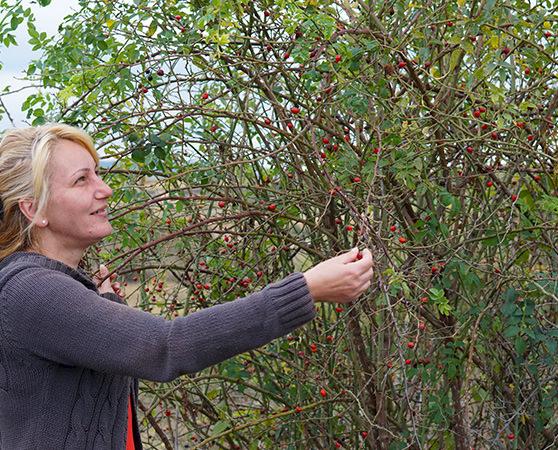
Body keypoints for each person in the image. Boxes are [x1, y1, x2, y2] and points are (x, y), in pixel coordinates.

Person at [0, 123, 373, 450]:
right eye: (82, 180)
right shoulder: (32, 291)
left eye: (98, 174)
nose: (106, 190)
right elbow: (167, 346)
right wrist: (304, 290)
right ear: (34, 209)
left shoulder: (58, 287)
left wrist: (107, 306)